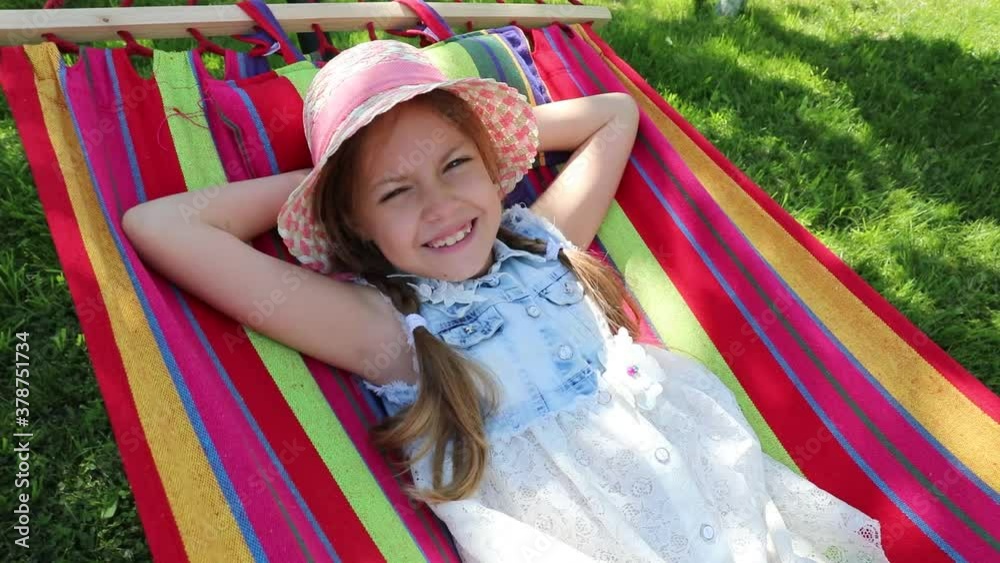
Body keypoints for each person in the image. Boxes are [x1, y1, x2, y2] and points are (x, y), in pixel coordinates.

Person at [123, 39, 889, 562]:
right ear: (357, 222)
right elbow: (160, 225)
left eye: (458, 166)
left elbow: (615, 113)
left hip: (725, 503)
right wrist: (332, 185)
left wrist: (439, 157)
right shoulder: (382, 328)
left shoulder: (545, 237)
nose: (442, 205)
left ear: (494, 169)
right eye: (398, 192)